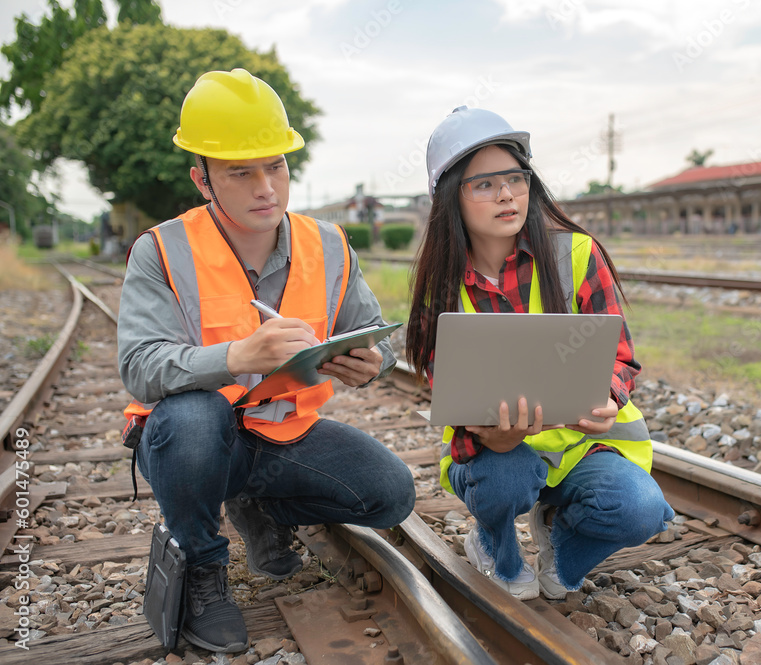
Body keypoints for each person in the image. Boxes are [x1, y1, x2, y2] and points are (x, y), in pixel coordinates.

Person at [118, 69, 415, 652]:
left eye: (275, 166)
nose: (266, 188)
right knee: (196, 419)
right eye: (241, 172)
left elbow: (377, 336)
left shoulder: (329, 244)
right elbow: (141, 367)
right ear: (202, 180)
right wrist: (236, 356)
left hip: (281, 437)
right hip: (189, 444)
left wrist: (370, 362)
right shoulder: (160, 251)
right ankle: (204, 570)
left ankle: (257, 505)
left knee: (391, 494)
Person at [406, 106, 674, 602]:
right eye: (485, 184)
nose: (507, 193)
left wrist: (610, 399)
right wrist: (498, 438)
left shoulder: (575, 255)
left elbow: (620, 356)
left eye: (515, 177)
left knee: (639, 509)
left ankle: (562, 546)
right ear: (450, 198)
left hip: (583, 447)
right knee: (507, 478)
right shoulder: (439, 287)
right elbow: (450, 387)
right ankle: (495, 544)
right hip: (496, 455)